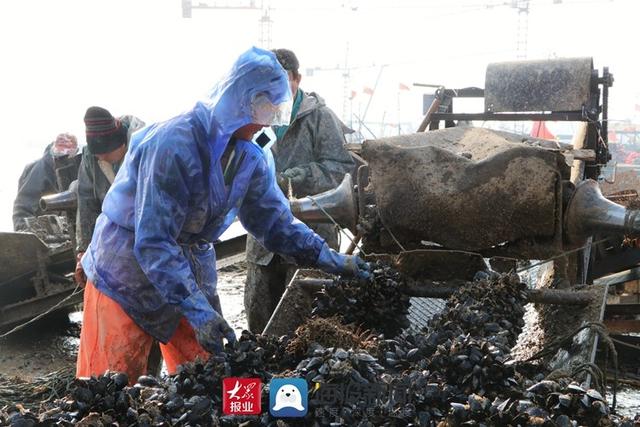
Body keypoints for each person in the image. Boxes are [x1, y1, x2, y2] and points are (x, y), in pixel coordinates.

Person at [76, 47, 369, 383]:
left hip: (188, 268)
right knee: (110, 388)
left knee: (212, 377)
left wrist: (328, 257)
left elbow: (274, 221)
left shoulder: (250, 156)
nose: (267, 118)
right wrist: (197, 310)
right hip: (125, 269)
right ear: (238, 100)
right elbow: (154, 242)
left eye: (275, 110)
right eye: (263, 107)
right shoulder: (174, 143)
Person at [244, 48, 356, 333]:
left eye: (282, 79)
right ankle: (259, 378)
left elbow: (341, 169)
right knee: (260, 324)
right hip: (263, 245)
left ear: (297, 79)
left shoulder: (321, 118)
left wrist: (296, 177)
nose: (276, 88)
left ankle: (295, 381)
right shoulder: (255, 117)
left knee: (305, 325)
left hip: (312, 237)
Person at [74, 107, 144, 285]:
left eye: (106, 153)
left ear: (122, 144)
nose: (102, 158)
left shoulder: (144, 145)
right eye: (99, 155)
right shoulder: (91, 157)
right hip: (117, 236)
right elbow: (86, 203)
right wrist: (84, 251)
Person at [13, 133, 80, 231]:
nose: (63, 161)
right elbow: (22, 209)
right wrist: (27, 233)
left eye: (67, 157)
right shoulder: (38, 171)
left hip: (63, 228)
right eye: (60, 157)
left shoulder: (75, 168)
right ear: (53, 152)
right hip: (41, 231)